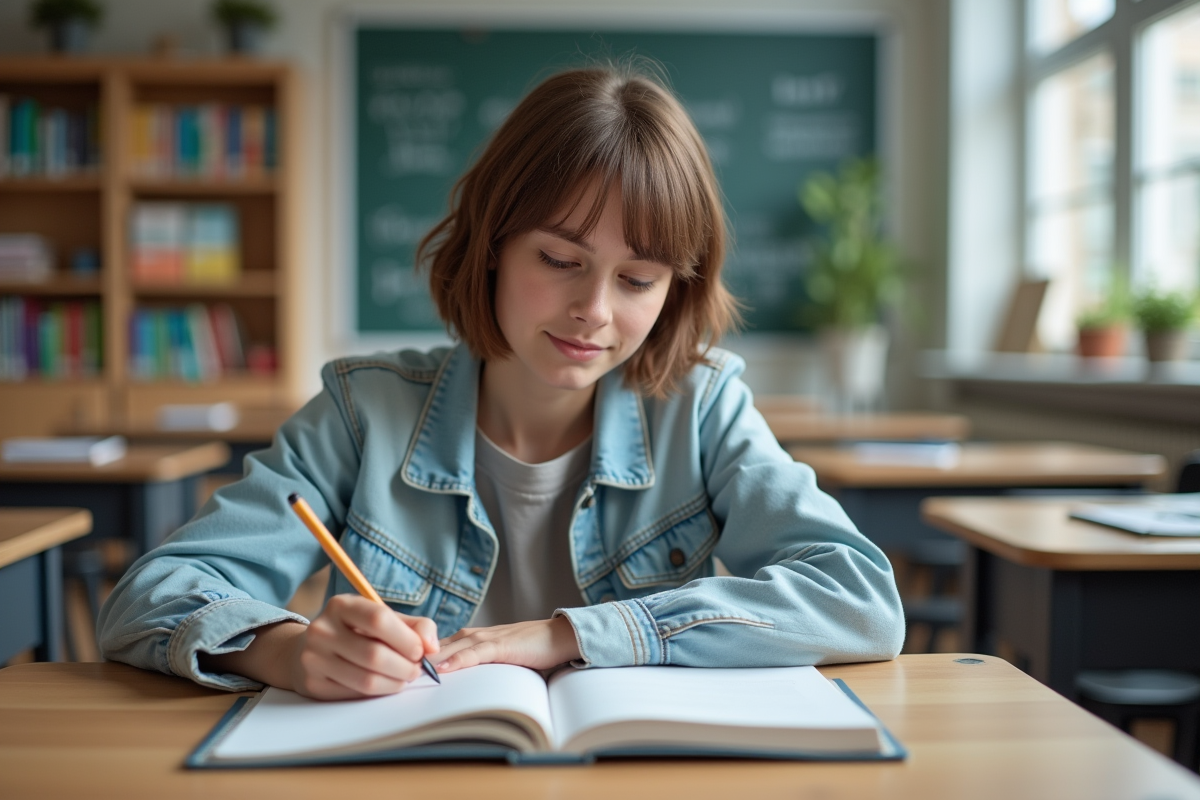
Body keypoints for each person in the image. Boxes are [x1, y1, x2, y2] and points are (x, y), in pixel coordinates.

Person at [98, 65, 904, 700]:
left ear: (676, 289)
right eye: (558, 261)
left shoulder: (704, 406)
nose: (593, 311)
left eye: (639, 279)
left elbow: (861, 600)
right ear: (492, 244)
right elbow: (149, 597)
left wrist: (571, 634)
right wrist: (286, 652)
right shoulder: (362, 411)